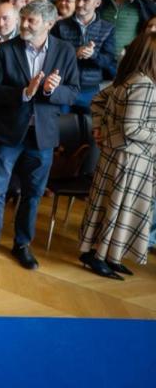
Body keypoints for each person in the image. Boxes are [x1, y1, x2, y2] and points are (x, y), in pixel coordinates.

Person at [0, 0, 80, 269]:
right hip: (8, 132)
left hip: (42, 136)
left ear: (49, 23)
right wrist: (24, 92)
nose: (23, 25)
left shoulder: (65, 51)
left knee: (33, 194)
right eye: (23, 19)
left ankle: (22, 244)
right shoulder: (6, 50)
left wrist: (51, 91)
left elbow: (73, 92)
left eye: (31, 21)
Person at [79, 33, 156, 279]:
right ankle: (100, 256)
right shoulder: (144, 83)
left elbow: (98, 100)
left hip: (118, 154)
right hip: (131, 158)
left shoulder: (129, 77)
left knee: (108, 206)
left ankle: (108, 256)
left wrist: (101, 129)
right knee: (118, 209)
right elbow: (132, 128)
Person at [51, 0, 116, 113]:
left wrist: (93, 55)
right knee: (62, 128)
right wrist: (74, 53)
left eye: (85, 0)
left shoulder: (107, 28)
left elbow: (108, 60)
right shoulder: (60, 26)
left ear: (97, 3)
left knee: (89, 130)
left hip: (90, 88)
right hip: (64, 86)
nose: (80, 4)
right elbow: (51, 55)